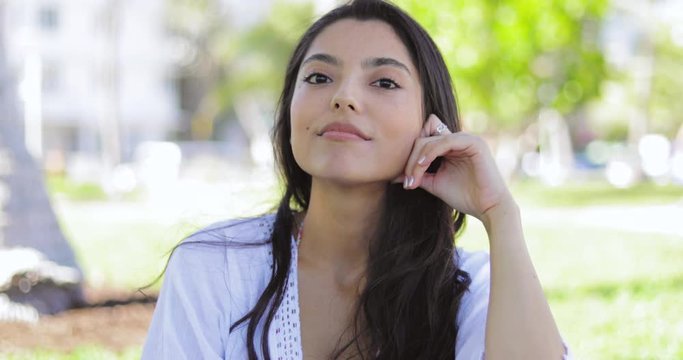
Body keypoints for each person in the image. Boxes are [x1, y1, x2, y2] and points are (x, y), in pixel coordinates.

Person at [142, 0, 572, 359]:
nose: (343, 96)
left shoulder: (477, 288)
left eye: (384, 82)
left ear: (432, 125)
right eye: (318, 77)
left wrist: (501, 215)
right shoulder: (213, 267)